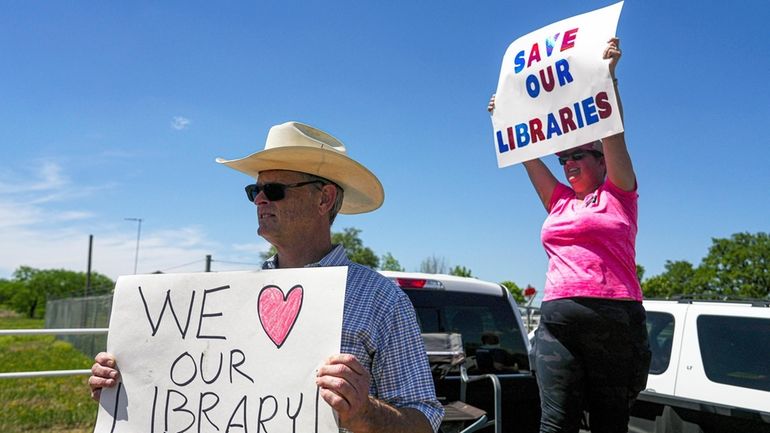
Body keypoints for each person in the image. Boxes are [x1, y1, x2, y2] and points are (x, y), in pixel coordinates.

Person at [88, 121, 444, 433]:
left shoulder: (380, 299)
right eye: (254, 191)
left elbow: (424, 419)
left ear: (325, 199)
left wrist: (364, 413)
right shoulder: (232, 297)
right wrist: (127, 384)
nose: (259, 200)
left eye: (274, 190)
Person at [489, 38, 651, 433]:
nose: (567, 164)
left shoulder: (619, 194)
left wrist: (607, 79)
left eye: (577, 155)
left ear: (600, 159)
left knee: (610, 423)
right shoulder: (559, 201)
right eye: (563, 159)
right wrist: (505, 117)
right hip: (558, 324)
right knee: (554, 423)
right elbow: (527, 157)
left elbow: (614, 132)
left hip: (614, 321)